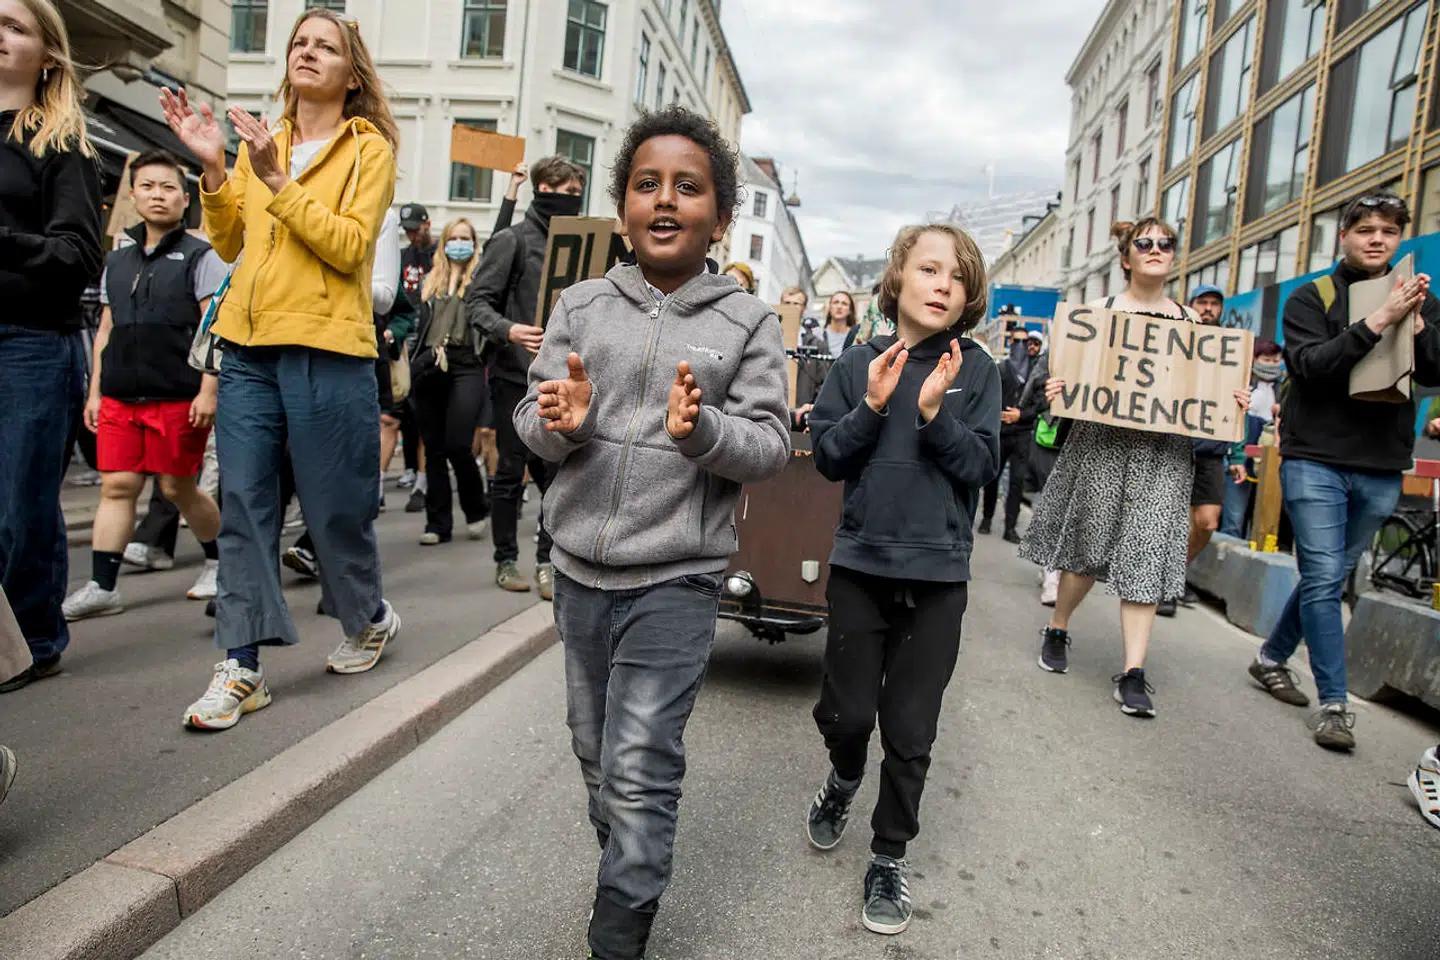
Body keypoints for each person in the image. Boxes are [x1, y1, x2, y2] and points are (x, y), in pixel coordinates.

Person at [515, 105, 790, 960]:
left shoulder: (747, 322)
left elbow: (771, 446)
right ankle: (630, 855)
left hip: (676, 578)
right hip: (580, 574)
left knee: (639, 764)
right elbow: (531, 418)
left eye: (687, 186)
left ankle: (619, 930)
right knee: (595, 753)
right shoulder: (582, 304)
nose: (665, 200)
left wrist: (699, 432)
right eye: (646, 185)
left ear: (717, 211)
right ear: (624, 206)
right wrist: (559, 423)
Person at [160, 7, 401, 731]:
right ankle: (240, 665)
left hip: (329, 348)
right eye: (300, 42)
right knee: (245, 508)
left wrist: (277, 178)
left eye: (326, 46)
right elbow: (230, 241)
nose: (308, 52)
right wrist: (213, 167)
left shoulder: (371, 149)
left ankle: (367, 616)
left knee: (333, 515)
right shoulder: (265, 140)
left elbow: (350, 248)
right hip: (248, 349)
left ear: (350, 73)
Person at [805, 223, 1000, 938]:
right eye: (928, 270)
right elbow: (827, 455)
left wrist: (932, 413)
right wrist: (876, 406)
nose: (942, 284)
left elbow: (982, 469)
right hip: (861, 567)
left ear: (969, 291)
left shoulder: (976, 370)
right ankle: (843, 778)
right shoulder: (858, 362)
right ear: (899, 281)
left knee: (911, 731)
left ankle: (889, 855)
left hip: (939, 576)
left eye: (956, 274)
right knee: (849, 717)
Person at [1020, 219, 1250, 717]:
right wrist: (1057, 391)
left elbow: (1206, 390)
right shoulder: (1096, 315)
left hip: (1163, 455)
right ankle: (1058, 625)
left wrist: (1232, 399)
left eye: (1165, 244)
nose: (1155, 250)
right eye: (1144, 243)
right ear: (1126, 257)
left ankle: (1134, 672)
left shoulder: (1194, 325)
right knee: (1086, 547)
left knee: (1146, 553)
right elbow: (1052, 381)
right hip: (1100, 445)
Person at [1246, 190, 1440, 751]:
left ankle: (1270, 656)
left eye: (1388, 230)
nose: (1377, 239)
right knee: (1328, 579)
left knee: (1326, 578)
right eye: (1366, 230)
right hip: (1315, 460)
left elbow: (1436, 370)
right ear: (1345, 236)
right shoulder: (1312, 298)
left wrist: (1417, 325)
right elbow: (1310, 367)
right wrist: (1380, 318)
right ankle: (1335, 704)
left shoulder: (1423, 301)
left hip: (1382, 465)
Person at [62, 151, 227, 621]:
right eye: (149, 186)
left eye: (169, 187)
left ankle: (219, 561)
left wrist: (208, 390)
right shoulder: (117, 258)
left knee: (178, 487)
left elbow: (213, 328)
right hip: (118, 395)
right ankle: (101, 585)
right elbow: (106, 329)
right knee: (117, 485)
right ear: (133, 195)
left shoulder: (201, 256)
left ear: (184, 197)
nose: (159, 195)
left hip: (178, 394)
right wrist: (95, 392)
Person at [0, 0, 103, 693]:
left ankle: (30, 641)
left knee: (19, 504)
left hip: (31, 342)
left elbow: (77, 254)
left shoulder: (60, 141)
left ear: (49, 54)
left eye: (14, 25)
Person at [465, 155, 587, 599]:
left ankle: (546, 562)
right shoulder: (512, 240)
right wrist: (509, 329)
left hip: (562, 382)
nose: (567, 199)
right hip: (515, 378)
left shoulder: (588, 244)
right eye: (558, 190)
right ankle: (505, 560)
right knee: (509, 473)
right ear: (540, 189)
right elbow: (477, 302)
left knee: (556, 476)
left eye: (575, 193)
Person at [411, 218, 491, 545]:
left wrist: (512, 192)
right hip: (430, 364)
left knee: (459, 444)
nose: (460, 243)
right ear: (443, 243)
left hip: (466, 363)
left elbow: (499, 229)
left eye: (466, 238)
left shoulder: (482, 280)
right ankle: (437, 524)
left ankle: (476, 508)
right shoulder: (430, 282)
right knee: (433, 449)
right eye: (454, 238)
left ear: (474, 243)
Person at [1158, 283, 1230, 616]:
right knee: (1167, 520)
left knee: (1206, 522)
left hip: (1212, 451)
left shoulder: (1232, 350)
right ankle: (1164, 584)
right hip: (1173, 445)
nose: (1209, 309)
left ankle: (1172, 575)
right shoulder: (1174, 342)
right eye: (1203, 302)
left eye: (1215, 304)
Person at [1220, 340, 1285, 538]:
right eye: (1266, 360)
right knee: (1234, 517)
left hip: (1271, 460)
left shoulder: (1283, 388)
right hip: (1242, 457)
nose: (1272, 365)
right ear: (1255, 359)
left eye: (1276, 361)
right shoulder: (1243, 384)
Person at [979, 326, 1038, 543]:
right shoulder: (1002, 369)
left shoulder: (1034, 371)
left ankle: (1010, 527)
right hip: (1001, 432)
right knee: (992, 478)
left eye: (1025, 341)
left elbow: (1040, 403)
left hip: (1022, 435)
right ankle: (987, 518)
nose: (1021, 346)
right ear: (1010, 343)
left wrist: (1021, 414)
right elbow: (990, 396)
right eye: (1017, 341)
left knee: (1016, 482)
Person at [398, 201, 435, 503]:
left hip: (428, 339)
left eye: (415, 229)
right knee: (404, 412)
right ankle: (411, 467)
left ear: (427, 224)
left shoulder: (439, 255)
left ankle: (423, 478)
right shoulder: (402, 257)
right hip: (404, 337)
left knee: (421, 411)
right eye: (407, 231)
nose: (411, 236)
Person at [796, 291, 858, 407]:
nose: (839, 306)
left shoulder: (857, 337)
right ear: (829, 308)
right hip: (817, 394)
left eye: (844, 303)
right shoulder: (816, 335)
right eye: (835, 302)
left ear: (850, 310)